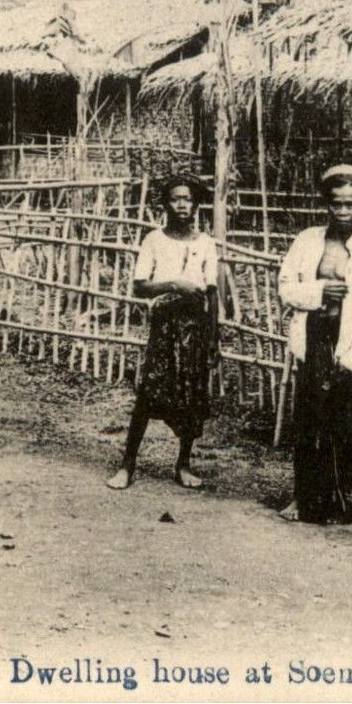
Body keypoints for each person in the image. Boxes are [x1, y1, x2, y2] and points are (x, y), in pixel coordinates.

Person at [276, 165, 352, 525]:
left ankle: (341, 499)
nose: (342, 212)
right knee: (309, 420)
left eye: (349, 205)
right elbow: (286, 288)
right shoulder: (308, 241)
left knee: (345, 426)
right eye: (336, 204)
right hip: (314, 336)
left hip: (349, 342)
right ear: (327, 205)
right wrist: (320, 290)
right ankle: (302, 497)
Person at [107, 175, 218, 491]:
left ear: (195, 204)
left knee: (191, 395)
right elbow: (140, 286)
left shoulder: (206, 243)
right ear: (165, 204)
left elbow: (212, 295)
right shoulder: (154, 240)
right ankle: (127, 465)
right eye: (175, 199)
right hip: (165, 325)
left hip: (195, 328)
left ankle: (183, 464)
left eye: (187, 198)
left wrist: (214, 340)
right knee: (149, 393)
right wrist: (174, 284)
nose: (182, 204)